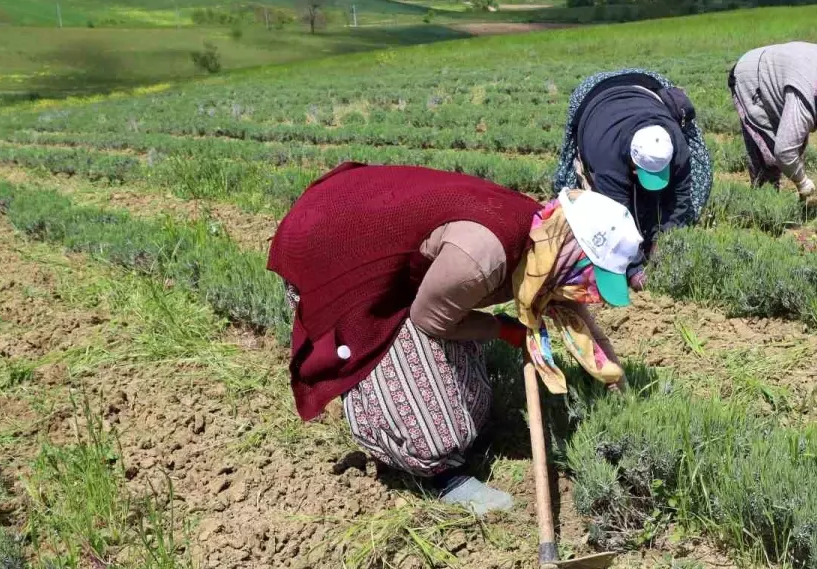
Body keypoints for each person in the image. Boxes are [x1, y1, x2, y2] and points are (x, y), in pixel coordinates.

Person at [267, 163, 642, 516]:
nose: (583, 291)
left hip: (371, 233)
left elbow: (578, 316)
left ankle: (446, 427)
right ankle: (439, 472)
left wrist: (617, 384)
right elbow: (429, 319)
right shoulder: (484, 257)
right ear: (571, 255)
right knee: (429, 420)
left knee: (466, 385)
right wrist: (501, 328)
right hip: (331, 250)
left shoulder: (545, 234)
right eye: (587, 278)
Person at [553, 69, 712, 288]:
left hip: (644, 85)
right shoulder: (606, 157)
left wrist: (664, 241)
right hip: (593, 97)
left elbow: (680, 198)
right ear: (632, 161)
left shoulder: (677, 144)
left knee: (684, 189)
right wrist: (634, 269)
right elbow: (616, 218)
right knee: (589, 216)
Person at [728, 42, 817, 200]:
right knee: (768, 156)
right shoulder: (804, 97)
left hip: (787, 70)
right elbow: (784, 152)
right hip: (753, 76)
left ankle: (777, 198)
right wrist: (802, 182)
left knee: (793, 137)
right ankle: (763, 203)